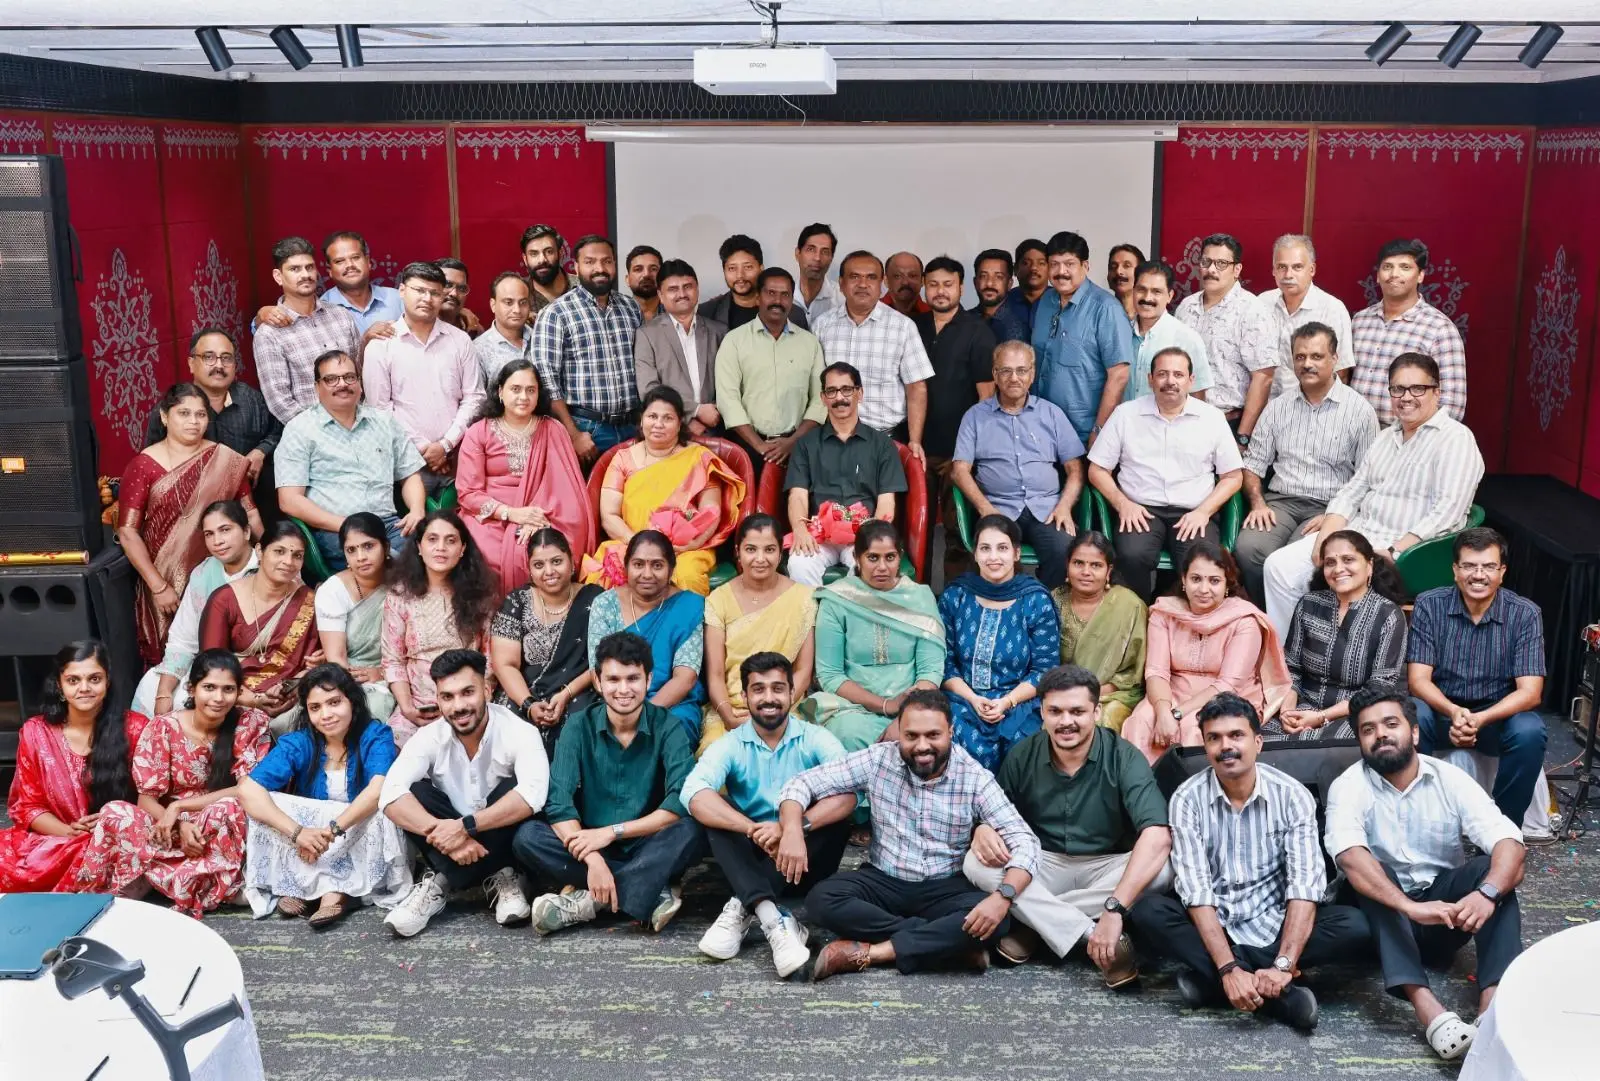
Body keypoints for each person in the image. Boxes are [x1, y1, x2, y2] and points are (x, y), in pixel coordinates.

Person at [1128, 693, 1370, 1031]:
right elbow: (1196, 892)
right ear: (1205, 745)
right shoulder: (1187, 799)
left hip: (1275, 921)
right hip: (1217, 924)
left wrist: (1283, 964)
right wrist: (1228, 967)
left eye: (1236, 735)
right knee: (1148, 911)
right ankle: (1278, 997)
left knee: (1354, 925)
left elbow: (1304, 886)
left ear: (1258, 742)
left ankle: (1212, 983)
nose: (1225, 746)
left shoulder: (1292, 795)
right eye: (1214, 738)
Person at [781, 690, 1040, 980]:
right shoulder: (879, 759)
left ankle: (876, 952)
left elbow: (1025, 841)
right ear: (899, 733)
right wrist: (792, 830)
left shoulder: (974, 777)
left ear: (950, 732)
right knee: (821, 900)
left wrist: (1003, 896)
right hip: (884, 880)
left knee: (998, 918)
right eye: (911, 736)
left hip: (946, 886)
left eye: (933, 735)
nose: (922, 746)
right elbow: (802, 783)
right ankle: (947, 946)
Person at [1326, 688, 1526, 1062]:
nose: (1381, 734)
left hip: (1442, 915)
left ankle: (1492, 1008)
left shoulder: (1450, 779)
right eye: (1368, 730)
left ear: (1414, 732)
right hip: (1383, 919)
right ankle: (1431, 1013)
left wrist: (1486, 893)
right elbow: (1349, 856)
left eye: (1391, 724)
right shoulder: (1349, 786)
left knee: (1494, 870)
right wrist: (1409, 907)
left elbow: (1510, 843)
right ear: (1360, 742)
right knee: (1370, 871)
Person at [967, 665, 1173, 976]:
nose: (1066, 722)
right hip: (1042, 863)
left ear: (1096, 712)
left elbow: (1157, 834)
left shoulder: (1124, 756)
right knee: (975, 862)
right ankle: (1087, 932)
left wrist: (1115, 906)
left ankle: (1035, 925)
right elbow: (994, 816)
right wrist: (983, 829)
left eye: (1077, 711)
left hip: (1106, 866)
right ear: (1042, 712)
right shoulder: (1023, 754)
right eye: (1055, 711)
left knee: (1163, 869)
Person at [1261, 352, 1484, 637]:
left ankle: (1338, 655)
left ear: (1436, 392)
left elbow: (1448, 511)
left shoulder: (1456, 438)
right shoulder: (1386, 436)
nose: (1406, 397)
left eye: (1417, 389)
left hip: (1406, 553)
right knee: (1279, 567)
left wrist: (1395, 551)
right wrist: (1325, 539)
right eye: (1398, 389)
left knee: (1341, 580)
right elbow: (1352, 492)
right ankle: (1291, 654)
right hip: (1358, 536)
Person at [515, 631, 705, 935]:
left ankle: (591, 902)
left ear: (648, 679)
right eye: (613, 679)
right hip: (589, 843)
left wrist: (612, 832)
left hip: (647, 842)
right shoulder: (579, 725)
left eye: (633, 679)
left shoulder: (668, 726)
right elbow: (559, 802)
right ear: (597, 681)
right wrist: (593, 860)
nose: (623, 689)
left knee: (694, 829)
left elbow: (679, 801)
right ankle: (644, 891)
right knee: (527, 837)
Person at [685, 652, 852, 976]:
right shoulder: (732, 743)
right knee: (717, 811)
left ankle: (741, 905)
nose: (769, 698)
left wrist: (793, 828)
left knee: (835, 819)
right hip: (751, 856)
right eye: (758, 689)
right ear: (745, 696)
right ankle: (772, 917)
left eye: (777, 688)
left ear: (792, 693)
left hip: (805, 860)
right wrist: (752, 829)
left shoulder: (815, 738)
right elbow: (694, 794)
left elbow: (849, 792)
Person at [76, 651, 273, 918]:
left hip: (216, 828)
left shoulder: (250, 723)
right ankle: (189, 881)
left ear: (239, 692)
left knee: (227, 807)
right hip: (169, 828)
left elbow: (245, 789)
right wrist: (180, 825)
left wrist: (179, 807)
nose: (218, 698)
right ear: (192, 689)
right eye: (209, 687)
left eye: (228, 689)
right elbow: (146, 800)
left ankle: (163, 878)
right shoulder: (163, 727)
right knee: (114, 812)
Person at [379, 649, 549, 936]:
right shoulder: (429, 737)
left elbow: (534, 794)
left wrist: (464, 827)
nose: (458, 706)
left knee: (515, 792)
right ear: (438, 700)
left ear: (487, 690)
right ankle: (499, 876)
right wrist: (447, 836)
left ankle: (445, 879)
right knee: (415, 793)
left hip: (501, 838)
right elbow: (390, 794)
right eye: (447, 697)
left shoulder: (519, 732)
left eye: (467, 693)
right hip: (450, 840)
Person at [238, 664, 411, 927]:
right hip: (310, 840)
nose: (326, 715)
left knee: (385, 807)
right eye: (315, 707)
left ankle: (337, 892)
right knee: (265, 802)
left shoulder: (376, 735)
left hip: (354, 830)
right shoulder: (300, 741)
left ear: (352, 701)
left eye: (334, 702)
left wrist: (331, 831)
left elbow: (377, 789)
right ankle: (300, 882)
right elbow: (248, 789)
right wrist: (299, 833)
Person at [1408, 527, 1547, 823]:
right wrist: (1454, 711)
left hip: (1497, 717)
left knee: (1529, 730)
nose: (1478, 575)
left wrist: (1480, 719)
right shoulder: (1429, 604)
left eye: (1489, 567)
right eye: (1469, 566)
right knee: (1413, 714)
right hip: (1442, 712)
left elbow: (1530, 692)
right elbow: (1418, 680)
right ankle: (1419, 818)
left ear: (1502, 572)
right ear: (1455, 570)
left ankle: (1505, 827)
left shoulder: (1525, 613)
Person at [1234, 322, 1379, 603]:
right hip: (1281, 504)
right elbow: (1252, 465)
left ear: (1335, 358)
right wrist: (1258, 503)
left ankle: (1301, 626)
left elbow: (1368, 479)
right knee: (1249, 549)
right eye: (1300, 357)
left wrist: (1335, 516)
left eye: (1316, 356)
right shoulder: (1278, 407)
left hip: (1330, 506)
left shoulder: (1360, 412)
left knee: (1294, 561)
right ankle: (1264, 618)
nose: (1307, 364)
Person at [1087, 347, 1244, 602]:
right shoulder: (1126, 414)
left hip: (1193, 512)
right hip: (1140, 510)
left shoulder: (1211, 418)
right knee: (1132, 555)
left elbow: (1233, 476)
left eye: (1178, 375)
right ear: (1150, 379)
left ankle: (1179, 619)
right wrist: (1122, 504)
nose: (1170, 381)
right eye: (1162, 374)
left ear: (1191, 380)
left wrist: (1203, 512)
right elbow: (1097, 469)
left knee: (1201, 563)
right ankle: (1137, 616)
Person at [120, 383, 260, 665]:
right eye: (184, 413)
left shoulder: (225, 459)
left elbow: (251, 515)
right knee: (174, 655)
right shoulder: (144, 465)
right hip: (164, 578)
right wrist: (158, 586)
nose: (193, 422)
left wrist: (266, 556)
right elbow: (127, 531)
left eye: (200, 414)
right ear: (164, 416)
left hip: (223, 573)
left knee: (226, 649)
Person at [1121, 542, 1293, 765]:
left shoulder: (1244, 621)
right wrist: (1163, 711)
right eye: (1196, 579)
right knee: (1140, 722)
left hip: (1227, 698)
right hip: (1170, 694)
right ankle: (1141, 786)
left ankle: (1193, 788)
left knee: (1195, 727)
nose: (1203, 589)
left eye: (1214, 581)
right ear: (1184, 580)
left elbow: (1227, 685)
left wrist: (1176, 715)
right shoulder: (1165, 613)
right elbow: (1156, 672)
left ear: (1227, 584)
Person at [0, 642, 147, 894]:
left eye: (94, 679)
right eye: (73, 680)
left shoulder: (135, 728)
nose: (84, 688)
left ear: (108, 682)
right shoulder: (37, 732)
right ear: (59, 685)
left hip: (120, 839)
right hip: (59, 839)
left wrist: (113, 820)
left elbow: (152, 797)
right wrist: (68, 831)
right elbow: (28, 806)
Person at [584, 386, 745, 596]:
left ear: (680, 423)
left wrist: (692, 544)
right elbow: (609, 515)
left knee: (686, 575)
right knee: (607, 570)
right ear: (641, 421)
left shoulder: (699, 458)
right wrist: (638, 545)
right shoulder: (622, 459)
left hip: (685, 550)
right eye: (652, 416)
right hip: (630, 543)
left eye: (668, 418)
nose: (658, 424)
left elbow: (711, 512)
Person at [274, 348, 427, 571]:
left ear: (359, 383)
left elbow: (410, 474)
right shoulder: (300, 429)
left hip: (388, 525)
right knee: (396, 568)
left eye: (349, 377)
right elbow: (289, 500)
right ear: (317, 387)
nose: (342, 384)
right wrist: (348, 526)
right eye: (331, 379)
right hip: (336, 529)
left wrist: (417, 510)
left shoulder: (384, 422)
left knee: (436, 553)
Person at [950, 341, 1084, 589]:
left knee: (1064, 549)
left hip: (1047, 509)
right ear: (995, 375)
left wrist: (1065, 506)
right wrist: (985, 509)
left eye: (1021, 370)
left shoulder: (1051, 413)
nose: (1014, 378)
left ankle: (1045, 605)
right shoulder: (975, 416)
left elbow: (1075, 469)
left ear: (1032, 374)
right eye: (1006, 370)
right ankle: (1002, 606)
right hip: (998, 507)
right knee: (995, 552)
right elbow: (959, 471)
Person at [456, 360, 593, 595]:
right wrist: (510, 513)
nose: (523, 397)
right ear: (500, 392)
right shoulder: (479, 432)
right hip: (491, 517)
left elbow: (566, 489)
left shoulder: (553, 429)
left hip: (545, 514)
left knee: (552, 551)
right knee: (486, 557)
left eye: (531, 390)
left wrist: (537, 516)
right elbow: (468, 493)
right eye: (515, 389)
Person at [806, 521, 945, 753]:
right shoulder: (837, 600)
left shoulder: (919, 599)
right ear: (857, 558)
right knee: (846, 734)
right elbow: (830, 674)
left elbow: (930, 671)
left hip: (913, 707)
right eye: (872, 558)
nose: (882, 567)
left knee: (925, 737)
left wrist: (906, 717)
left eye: (890, 557)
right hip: (852, 708)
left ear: (900, 557)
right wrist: (885, 705)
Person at [939, 515, 1059, 769]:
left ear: (1016, 553)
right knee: (953, 733)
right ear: (975, 554)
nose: (993, 557)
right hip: (963, 700)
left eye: (1002, 548)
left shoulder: (1035, 600)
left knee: (1023, 743)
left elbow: (1045, 669)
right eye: (985, 548)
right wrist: (973, 699)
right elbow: (945, 662)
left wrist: (1007, 702)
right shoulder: (955, 596)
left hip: (1020, 702)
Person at [362, 261, 487, 497]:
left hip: (458, 456)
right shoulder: (381, 345)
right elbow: (379, 409)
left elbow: (475, 397)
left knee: (460, 518)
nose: (427, 299)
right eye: (419, 290)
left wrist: (446, 445)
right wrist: (425, 449)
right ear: (402, 290)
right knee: (414, 519)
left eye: (435, 293)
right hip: (405, 462)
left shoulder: (460, 341)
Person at [1271, 530, 1408, 742]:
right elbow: (1291, 667)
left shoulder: (1388, 615)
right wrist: (1287, 711)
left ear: (1369, 565)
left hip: (1357, 712)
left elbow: (1379, 688)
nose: (1338, 569)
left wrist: (1321, 717)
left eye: (1348, 560)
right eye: (1330, 562)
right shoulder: (1309, 604)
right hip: (1303, 706)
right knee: (1255, 738)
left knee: (1340, 744)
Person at [783, 362, 907, 586]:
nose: (839, 397)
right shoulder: (806, 445)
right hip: (819, 534)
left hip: (863, 534)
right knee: (799, 562)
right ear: (823, 398)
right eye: (831, 391)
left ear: (860, 393)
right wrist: (800, 530)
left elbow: (886, 502)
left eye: (847, 389)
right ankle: (813, 611)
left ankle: (845, 610)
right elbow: (798, 495)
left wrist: (873, 538)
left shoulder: (882, 445)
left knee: (869, 566)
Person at [131, 500, 259, 719]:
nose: (217, 541)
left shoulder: (269, 567)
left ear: (246, 532)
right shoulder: (203, 574)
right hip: (210, 665)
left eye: (225, 530)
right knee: (150, 686)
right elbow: (184, 639)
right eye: (209, 534)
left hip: (255, 667)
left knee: (192, 700)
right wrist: (163, 693)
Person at [701, 515, 817, 755]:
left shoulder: (804, 599)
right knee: (716, 753)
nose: (760, 559)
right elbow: (715, 674)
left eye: (769, 550)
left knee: (791, 755)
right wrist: (728, 716)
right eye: (751, 549)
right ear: (738, 552)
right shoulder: (719, 600)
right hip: (733, 708)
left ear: (781, 553)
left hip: (785, 707)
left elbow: (803, 671)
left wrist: (777, 709)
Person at [381, 510, 499, 747]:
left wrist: (470, 702)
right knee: (390, 747)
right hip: (418, 708)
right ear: (419, 546)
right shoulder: (400, 596)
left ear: (463, 549)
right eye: (432, 539)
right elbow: (393, 661)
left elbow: (490, 659)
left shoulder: (480, 597)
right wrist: (407, 707)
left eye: (451, 540)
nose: (441, 548)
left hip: (468, 705)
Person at [198, 521, 321, 735]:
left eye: (297, 556)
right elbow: (210, 665)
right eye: (279, 551)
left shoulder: (310, 603)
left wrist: (291, 688)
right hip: (230, 694)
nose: (288, 562)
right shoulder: (224, 599)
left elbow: (312, 664)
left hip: (286, 700)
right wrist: (253, 700)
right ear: (260, 551)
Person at [531, 234, 645, 465]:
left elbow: (643, 366)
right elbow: (547, 381)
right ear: (576, 267)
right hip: (587, 431)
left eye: (606, 261)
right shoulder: (556, 313)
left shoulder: (631, 308)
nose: (599, 268)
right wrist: (573, 435)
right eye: (590, 262)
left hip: (632, 428)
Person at [491, 527, 604, 755]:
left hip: (578, 691)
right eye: (539, 565)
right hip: (523, 692)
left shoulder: (597, 599)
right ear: (530, 570)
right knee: (506, 723)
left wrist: (566, 694)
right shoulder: (517, 602)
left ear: (572, 563)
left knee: (580, 721)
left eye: (556, 561)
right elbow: (505, 664)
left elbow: (602, 661)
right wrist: (528, 704)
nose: (549, 571)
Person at [585, 531, 706, 740]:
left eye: (657, 565)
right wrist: (624, 710)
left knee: (673, 732)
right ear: (626, 567)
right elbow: (598, 670)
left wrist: (643, 717)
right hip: (615, 701)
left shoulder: (688, 606)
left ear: (671, 569)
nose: (647, 574)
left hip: (672, 705)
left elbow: (685, 678)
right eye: (638, 564)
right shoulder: (605, 604)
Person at [810, 250, 934, 451]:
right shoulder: (821, 326)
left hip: (887, 440)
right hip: (832, 440)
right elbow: (813, 386)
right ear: (841, 283)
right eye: (854, 277)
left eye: (871, 277)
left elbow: (916, 388)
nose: (863, 284)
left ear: (881, 284)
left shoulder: (902, 327)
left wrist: (915, 441)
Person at [714, 267, 826, 482]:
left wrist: (794, 441)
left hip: (799, 447)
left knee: (797, 503)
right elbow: (728, 400)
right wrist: (760, 446)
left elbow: (820, 399)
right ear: (758, 297)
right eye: (771, 293)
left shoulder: (809, 343)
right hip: (748, 448)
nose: (778, 301)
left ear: (792, 300)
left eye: (785, 294)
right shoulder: (734, 341)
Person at [142, 328, 281, 488]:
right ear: (191, 364)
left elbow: (278, 432)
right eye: (209, 357)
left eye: (226, 358)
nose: (219, 365)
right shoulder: (172, 408)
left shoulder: (252, 400)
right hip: (191, 496)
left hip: (248, 493)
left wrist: (261, 451)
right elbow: (151, 463)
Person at [1031, 231, 1132, 447]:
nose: (1061, 272)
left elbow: (1119, 375)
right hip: (1040, 430)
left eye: (1069, 264)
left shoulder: (1105, 309)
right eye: (1054, 264)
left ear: (1085, 266)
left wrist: (1099, 430)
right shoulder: (1046, 301)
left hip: (1083, 435)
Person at [1351, 238, 1467, 424]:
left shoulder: (1439, 329)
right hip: (1354, 431)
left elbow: (1452, 404)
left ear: (1420, 275)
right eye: (1387, 267)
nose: (1394, 274)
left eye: (1405, 267)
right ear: (1378, 275)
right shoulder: (1360, 321)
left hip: (1406, 434)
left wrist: (1415, 437)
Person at [914, 255, 996, 516]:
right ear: (924, 287)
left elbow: (987, 396)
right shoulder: (913, 327)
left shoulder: (978, 331)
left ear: (961, 287)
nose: (940, 291)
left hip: (958, 449)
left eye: (948, 284)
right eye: (933, 284)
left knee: (956, 523)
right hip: (917, 446)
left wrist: (974, 448)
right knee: (917, 521)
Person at [1174, 233, 1276, 442]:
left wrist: (1242, 437)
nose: (1211, 270)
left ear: (1237, 270)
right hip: (1181, 419)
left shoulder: (1252, 311)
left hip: (1228, 423)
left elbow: (1264, 377)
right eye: (1206, 262)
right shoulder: (1186, 307)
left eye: (1221, 263)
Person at [252, 236, 361, 424]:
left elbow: (360, 376)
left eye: (309, 267)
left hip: (357, 426)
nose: (305, 275)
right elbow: (280, 403)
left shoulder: (341, 316)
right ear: (278, 276)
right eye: (295, 269)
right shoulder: (269, 334)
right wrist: (324, 433)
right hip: (310, 436)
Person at [1052, 532, 1148, 734]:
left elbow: (1132, 675)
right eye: (1078, 563)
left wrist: (1088, 694)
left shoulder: (1129, 606)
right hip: (1060, 693)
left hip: (1112, 695)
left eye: (1096, 565)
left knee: (1103, 719)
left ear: (1108, 571)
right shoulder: (1053, 602)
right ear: (1067, 566)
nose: (1086, 572)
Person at [314, 513, 399, 723]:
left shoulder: (406, 580)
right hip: (349, 677)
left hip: (400, 674)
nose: (360, 557)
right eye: (351, 550)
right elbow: (337, 659)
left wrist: (381, 673)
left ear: (386, 547)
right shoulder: (333, 591)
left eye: (368, 546)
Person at [635, 259, 727, 438]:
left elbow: (730, 384)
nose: (682, 294)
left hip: (715, 429)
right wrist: (693, 413)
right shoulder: (647, 334)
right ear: (661, 295)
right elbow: (649, 389)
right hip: (669, 431)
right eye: (673, 289)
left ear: (697, 289)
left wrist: (711, 414)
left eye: (687, 287)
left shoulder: (718, 332)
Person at [1256, 234, 1354, 398]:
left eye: (1297, 267)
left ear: (1312, 270)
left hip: (1310, 406)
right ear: (1273, 270)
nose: (1288, 275)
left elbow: (1341, 373)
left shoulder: (1332, 309)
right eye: (1282, 267)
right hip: (1265, 404)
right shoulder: (1262, 303)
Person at [254, 230, 402, 337]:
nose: (350, 265)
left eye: (355, 257)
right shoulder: (321, 309)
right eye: (339, 261)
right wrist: (260, 316)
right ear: (329, 271)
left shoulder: (398, 298)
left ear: (368, 262)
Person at [1126, 261, 1213, 401]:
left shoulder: (1187, 339)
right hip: (1122, 415)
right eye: (1141, 290)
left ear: (1170, 296)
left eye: (1156, 292)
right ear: (1133, 291)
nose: (1147, 298)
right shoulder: (1120, 333)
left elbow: (1198, 398)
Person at [699, 234, 809, 332]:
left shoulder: (793, 314)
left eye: (748, 267)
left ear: (761, 268)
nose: (740, 275)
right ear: (724, 271)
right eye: (732, 268)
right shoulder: (707, 313)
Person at [473, 271, 536, 386]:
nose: (517, 310)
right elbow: (477, 395)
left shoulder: (541, 339)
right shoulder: (478, 349)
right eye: (508, 302)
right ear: (493, 305)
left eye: (523, 302)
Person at [970, 248, 1030, 344]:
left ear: (1009, 284)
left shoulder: (1022, 323)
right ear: (975, 282)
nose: (989, 283)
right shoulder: (965, 320)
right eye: (983, 276)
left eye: (998, 277)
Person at [793, 223, 841, 321]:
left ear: (831, 258)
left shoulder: (842, 299)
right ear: (798, 253)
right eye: (811, 249)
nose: (817, 258)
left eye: (825, 252)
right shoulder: (783, 296)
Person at [1003, 238, 1049, 334]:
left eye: (1041, 263)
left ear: (1050, 269)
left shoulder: (1061, 302)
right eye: (1026, 263)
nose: (1033, 268)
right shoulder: (1002, 303)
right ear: (1015, 269)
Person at [520, 223, 569, 310]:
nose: (542, 260)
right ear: (525, 259)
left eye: (549, 252)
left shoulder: (583, 287)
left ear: (560, 253)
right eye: (534, 254)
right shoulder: (518, 293)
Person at [436, 257, 484, 337]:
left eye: (461, 288)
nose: (454, 293)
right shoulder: (417, 325)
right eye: (447, 285)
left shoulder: (474, 330)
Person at [882, 251, 929, 317]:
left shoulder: (934, 314)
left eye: (912, 276)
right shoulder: (871, 311)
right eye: (897, 276)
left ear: (922, 280)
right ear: (886, 281)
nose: (905, 282)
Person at [1107, 243, 1145, 320]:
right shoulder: (1100, 313)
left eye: (1127, 266)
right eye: (1113, 266)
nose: (1118, 271)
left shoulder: (1151, 317)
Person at [625, 244, 662, 323]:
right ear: (627, 279)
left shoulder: (675, 313)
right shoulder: (617, 314)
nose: (646, 274)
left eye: (653, 269)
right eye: (638, 269)